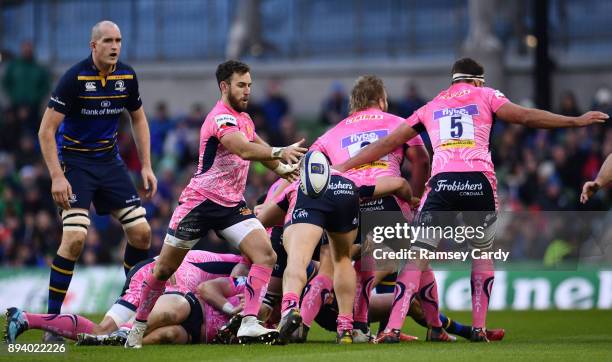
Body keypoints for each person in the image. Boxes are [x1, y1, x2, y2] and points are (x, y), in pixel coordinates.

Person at [336, 58, 608, 343]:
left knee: (417, 257)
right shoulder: (487, 95)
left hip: (442, 184)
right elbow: (526, 116)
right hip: (478, 182)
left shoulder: (433, 105)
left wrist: (343, 168)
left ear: (454, 80)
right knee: (481, 252)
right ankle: (478, 328)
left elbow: (385, 145)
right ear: (478, 80)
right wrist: (575, 121)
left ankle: (391, 329)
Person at [125, 60, 307, 348]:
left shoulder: (245, 119)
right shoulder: (220, 118)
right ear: (224, 86)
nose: (247, 91)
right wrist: (280, 151)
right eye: (241, 85)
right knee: (163, 270)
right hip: (200, 203)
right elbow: (244, 149)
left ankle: (248, 322)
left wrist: (282, 168)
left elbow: (260, 151)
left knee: (266, 256)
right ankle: (137, 326)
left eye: (249, 85)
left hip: (231, 206)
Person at [37, 21, 156, 341]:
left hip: (109, 162)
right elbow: (46, 131)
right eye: (107, 40)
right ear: (93, 46)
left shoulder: (127, 76)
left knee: (142, 234)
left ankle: (125, 311)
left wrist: (146, 165)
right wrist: (57, 176)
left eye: (118, 39)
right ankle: (52, 322)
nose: (114, 45)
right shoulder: (74, 78)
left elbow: (139, 118)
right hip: (75, 164)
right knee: (75, 239)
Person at [4, 250, 249, 345]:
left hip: (158, 280)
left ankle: (25, 318)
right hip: (152, 274)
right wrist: (175, 282)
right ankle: (123, 334)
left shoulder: (242, 271)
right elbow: (183, 261)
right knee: (109, 330)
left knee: (101, 331)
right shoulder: (235, 262)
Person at [2, 40, 51, 132]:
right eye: (25, 48)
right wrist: (8, 106)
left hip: (34, 110)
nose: (27, 51)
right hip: (13, 109)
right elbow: (4, 85)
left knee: (31, 137)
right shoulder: (13, 67)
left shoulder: (39, 68)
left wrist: (35, 104)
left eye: (29, 48)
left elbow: (45, 88)